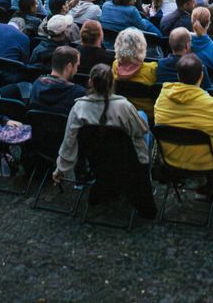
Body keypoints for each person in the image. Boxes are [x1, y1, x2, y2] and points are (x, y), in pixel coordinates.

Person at [53, 64, 157, 218]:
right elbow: (140, 133)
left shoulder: (79, 108)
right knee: (142, 118)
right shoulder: (124, 107)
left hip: (96, 157)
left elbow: (69, 141)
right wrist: (143, 162)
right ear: (112, 82)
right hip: (125, 159)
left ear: (90, 83)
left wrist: (60, 169)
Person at [153, 54, 213, 188]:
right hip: (204, 162)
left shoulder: (162, 97)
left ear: (178, 76)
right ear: (202, 75)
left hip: (171, 158)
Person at [112, 27, 159, 113]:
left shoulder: (115, 66)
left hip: (122, 113)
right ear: (142, 46)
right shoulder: (152, 69)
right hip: (147, 116)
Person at [28, 46, 86, 114]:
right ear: (69, 66)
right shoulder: (78, 93)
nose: (76, 70)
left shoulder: (36, 84)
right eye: (77, 66)